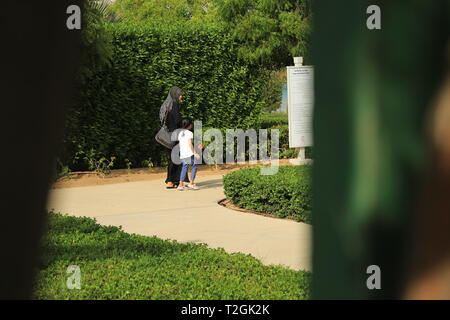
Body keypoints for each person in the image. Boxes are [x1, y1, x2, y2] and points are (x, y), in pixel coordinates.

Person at [159, 86, 189, 188]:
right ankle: (171, 180)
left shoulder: (166, 105)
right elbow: (176, 121)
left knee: (172, 158)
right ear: (175, 95)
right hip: (174, 135)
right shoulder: (174, 104)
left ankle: (173, 181)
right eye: (180, 95)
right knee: (175, 158)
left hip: (167, 136)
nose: (181, 97)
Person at [177, 118, 201, 190]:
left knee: (184, 168)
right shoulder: (190, 133)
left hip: (183, 153)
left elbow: (179, 144)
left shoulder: (180, 133)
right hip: (189, 153)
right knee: (195, 165)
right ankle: (191, 183)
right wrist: (195, 153)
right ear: (189, 125)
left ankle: (180, 185)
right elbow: (190, 144)